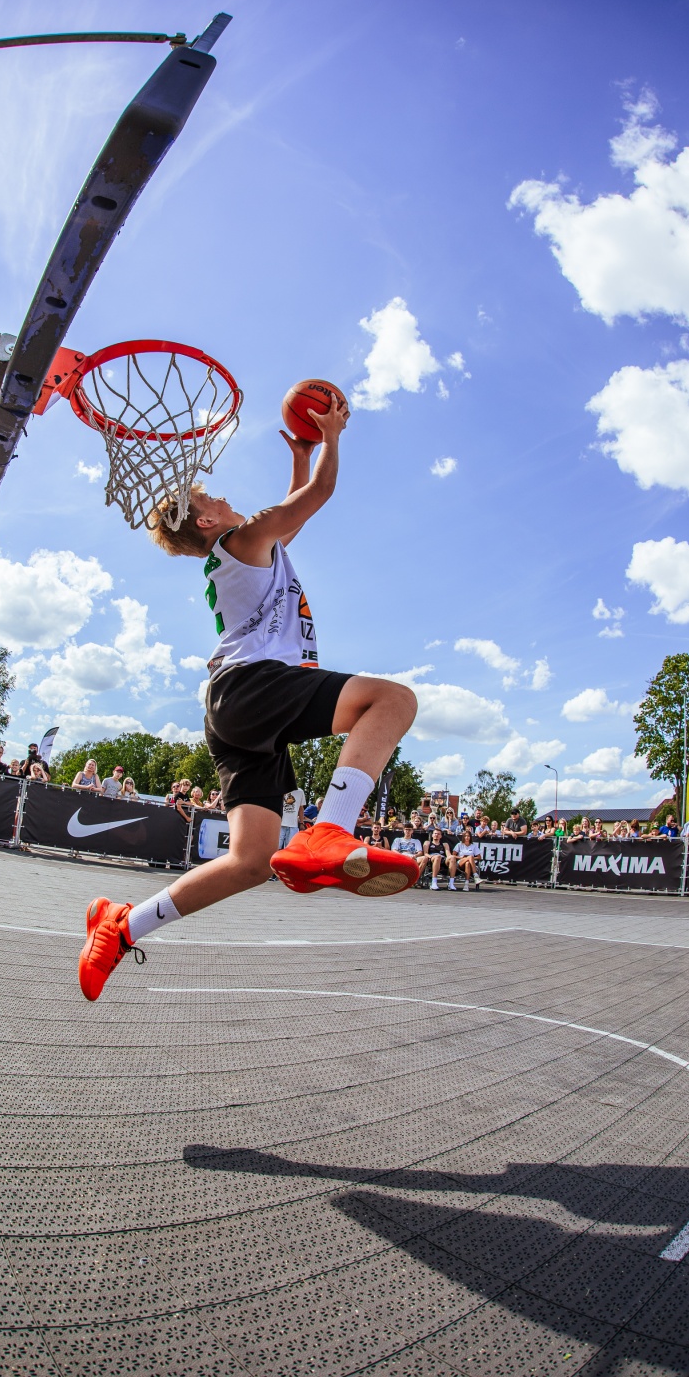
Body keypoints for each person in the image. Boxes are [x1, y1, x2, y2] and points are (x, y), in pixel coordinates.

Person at [78, 393, 420, 999]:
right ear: (208, 521)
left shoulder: (247, 550)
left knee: (251, 861)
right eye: (211, 497)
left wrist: (301, 456)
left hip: (233, 708)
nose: (222, 497)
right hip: (254, 685)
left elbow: (294, 516)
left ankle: (121, 927)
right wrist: (331, 437)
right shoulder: (240, 539)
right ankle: (330, 830)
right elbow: (317, 496)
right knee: (392, 701)